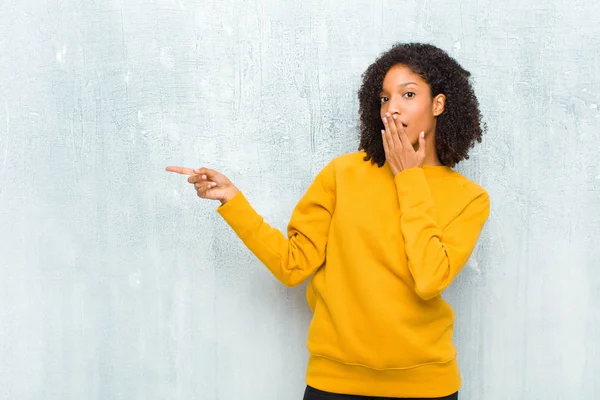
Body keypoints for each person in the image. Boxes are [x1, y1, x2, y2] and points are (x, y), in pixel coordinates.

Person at [167, 42, 490, 399]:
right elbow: (292, 265)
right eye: (384, 99)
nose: (392, 109)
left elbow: (429, 279)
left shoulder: (469, 198)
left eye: (408, 94)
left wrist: (409, 179)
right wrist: (233, 200)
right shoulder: (343, 174)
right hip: (334, 386)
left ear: (438, 104)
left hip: (427, 389)